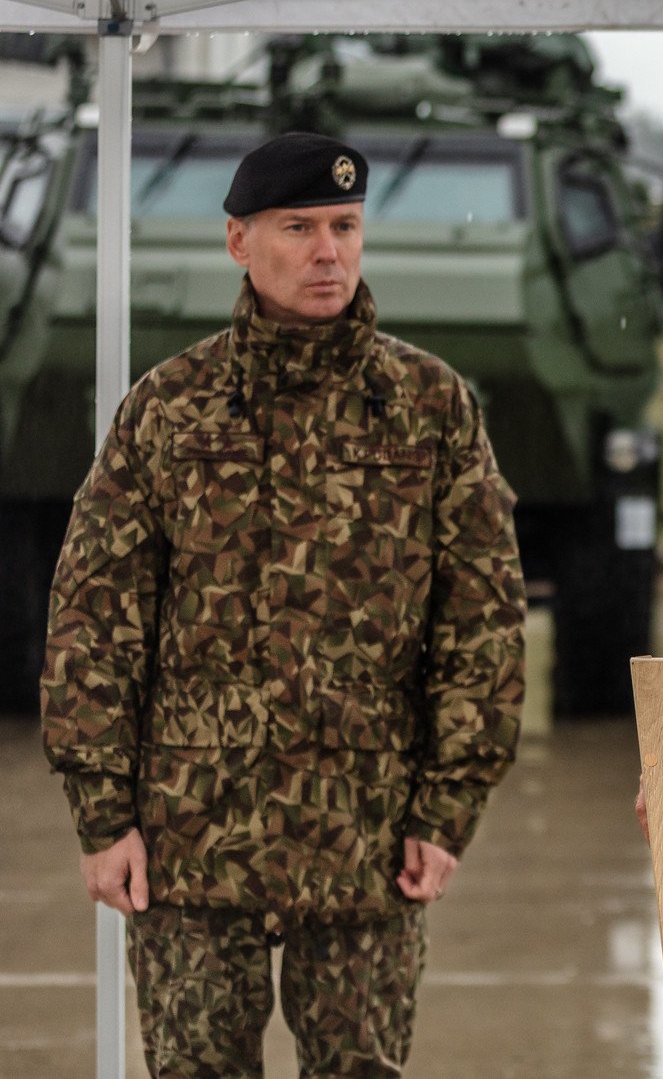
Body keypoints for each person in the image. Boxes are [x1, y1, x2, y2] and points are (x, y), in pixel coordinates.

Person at [42, 131, 526, 1077]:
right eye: (298, 228)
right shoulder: (172, 408)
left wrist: (447, 807)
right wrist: (103, 816)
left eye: (345, 225)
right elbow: (94, 619)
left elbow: (482, 621)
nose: (327, 252)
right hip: (192, 839)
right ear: (239, 240)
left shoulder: (428, 407)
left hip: (367, 838)